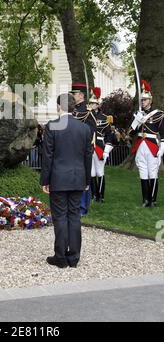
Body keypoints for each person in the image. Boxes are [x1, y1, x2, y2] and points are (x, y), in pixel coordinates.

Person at [40, 93, 92, 268]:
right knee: (74, 216)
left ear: (58, 107)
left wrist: (45, 180)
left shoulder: (52, 126)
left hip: (59, 178)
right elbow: (88, 156)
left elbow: (47, 156)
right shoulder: (84, 128)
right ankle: (74, 257)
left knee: (60, 217)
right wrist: (87, 179)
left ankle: (60, 257)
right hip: (78, 177)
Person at [129, 80, 164, 207]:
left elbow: (163, 134)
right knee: (143, 172)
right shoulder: (138, 114)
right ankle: (145, 199)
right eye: (141, 100)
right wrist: (137, 121)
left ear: (150, 100)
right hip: (140, 145)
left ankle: (153, 199)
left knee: (152, 171)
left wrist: (162, 149)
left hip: (152, 145)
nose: (142, 102)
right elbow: (131, 133)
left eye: (144, 100)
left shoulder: (159, 114)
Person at [70, 83, 95, 216]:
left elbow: (91, 130)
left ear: (80, 95)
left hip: (82, 148)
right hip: (72, 147)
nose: (72, 96)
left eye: (74, 94)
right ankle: (75, 204)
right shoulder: (73, 109)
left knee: (84, 177)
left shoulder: (88, 110)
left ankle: (83, 207)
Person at [87, 87, 114, 202]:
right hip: (88, 145)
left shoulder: (104, 118)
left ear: (98, 105)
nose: (91, 105)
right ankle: (94, 195)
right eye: (90, 103)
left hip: (99, 146)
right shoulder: (86, 116)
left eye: (93, 103)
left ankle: (101, 195)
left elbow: (109, 135)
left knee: (100, 172)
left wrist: (107, 150)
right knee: (91, 172)